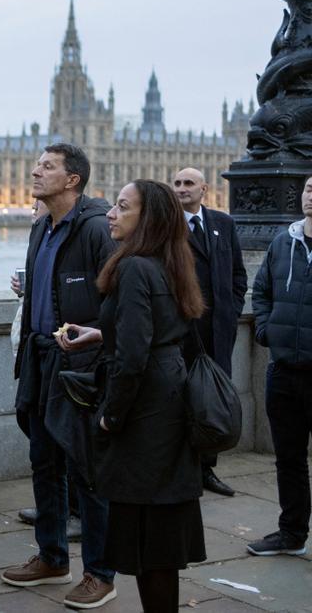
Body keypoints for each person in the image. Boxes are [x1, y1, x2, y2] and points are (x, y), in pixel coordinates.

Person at [57, 179, 207, 612]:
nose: (110, 213)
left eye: (123, 207)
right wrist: (101, 334)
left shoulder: (135, 267)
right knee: (160, 538)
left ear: (148, 218)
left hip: (145, 419)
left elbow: (133, 357)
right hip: (168, 401)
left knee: (150, 541)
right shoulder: (168, 261)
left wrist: (110, 417)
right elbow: (160, 332)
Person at [4, 143, 117, 610]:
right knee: (43, 461)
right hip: (40, 356)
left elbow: (121, 295)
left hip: (79, 363)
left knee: (86, 469)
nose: (35, 171)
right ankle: (53, 556)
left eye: (46, 166)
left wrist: (96, 344)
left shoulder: (96, 228)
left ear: (72, 179)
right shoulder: (41, 228)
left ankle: (100, 573)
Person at [171, 167, 246, 498]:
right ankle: (180, 469)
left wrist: (230, 311)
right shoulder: (166, 226)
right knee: (181, 402)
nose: (182, 189)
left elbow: (238, 276)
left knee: (213, 402)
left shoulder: (223, 224)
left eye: (188, 183)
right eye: (177, 184)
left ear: (204, 188)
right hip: (182, 333)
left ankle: (207, 470)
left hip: (218, 332)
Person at [249, 173, 312, 557]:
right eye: (308, 189)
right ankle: (292, 534)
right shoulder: (281, 243)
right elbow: (262, 291)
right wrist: (265, 331)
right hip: (284, 371)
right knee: (288, 459)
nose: (311, 196)